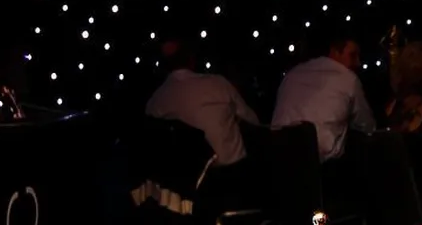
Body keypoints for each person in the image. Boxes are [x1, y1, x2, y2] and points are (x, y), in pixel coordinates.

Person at [145, 37, 258, 170]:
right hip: (230, 173)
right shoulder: (217, 84)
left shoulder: (155, 101)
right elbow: (252, 120)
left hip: (184, 178)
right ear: (191, 59)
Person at [271, 31, 376, 161]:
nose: (358, 63)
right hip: (317, 165)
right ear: (335, 51)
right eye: (353, 55)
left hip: (275, 155)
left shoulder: (293, 73)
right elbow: (366, 125)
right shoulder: (348, 78)